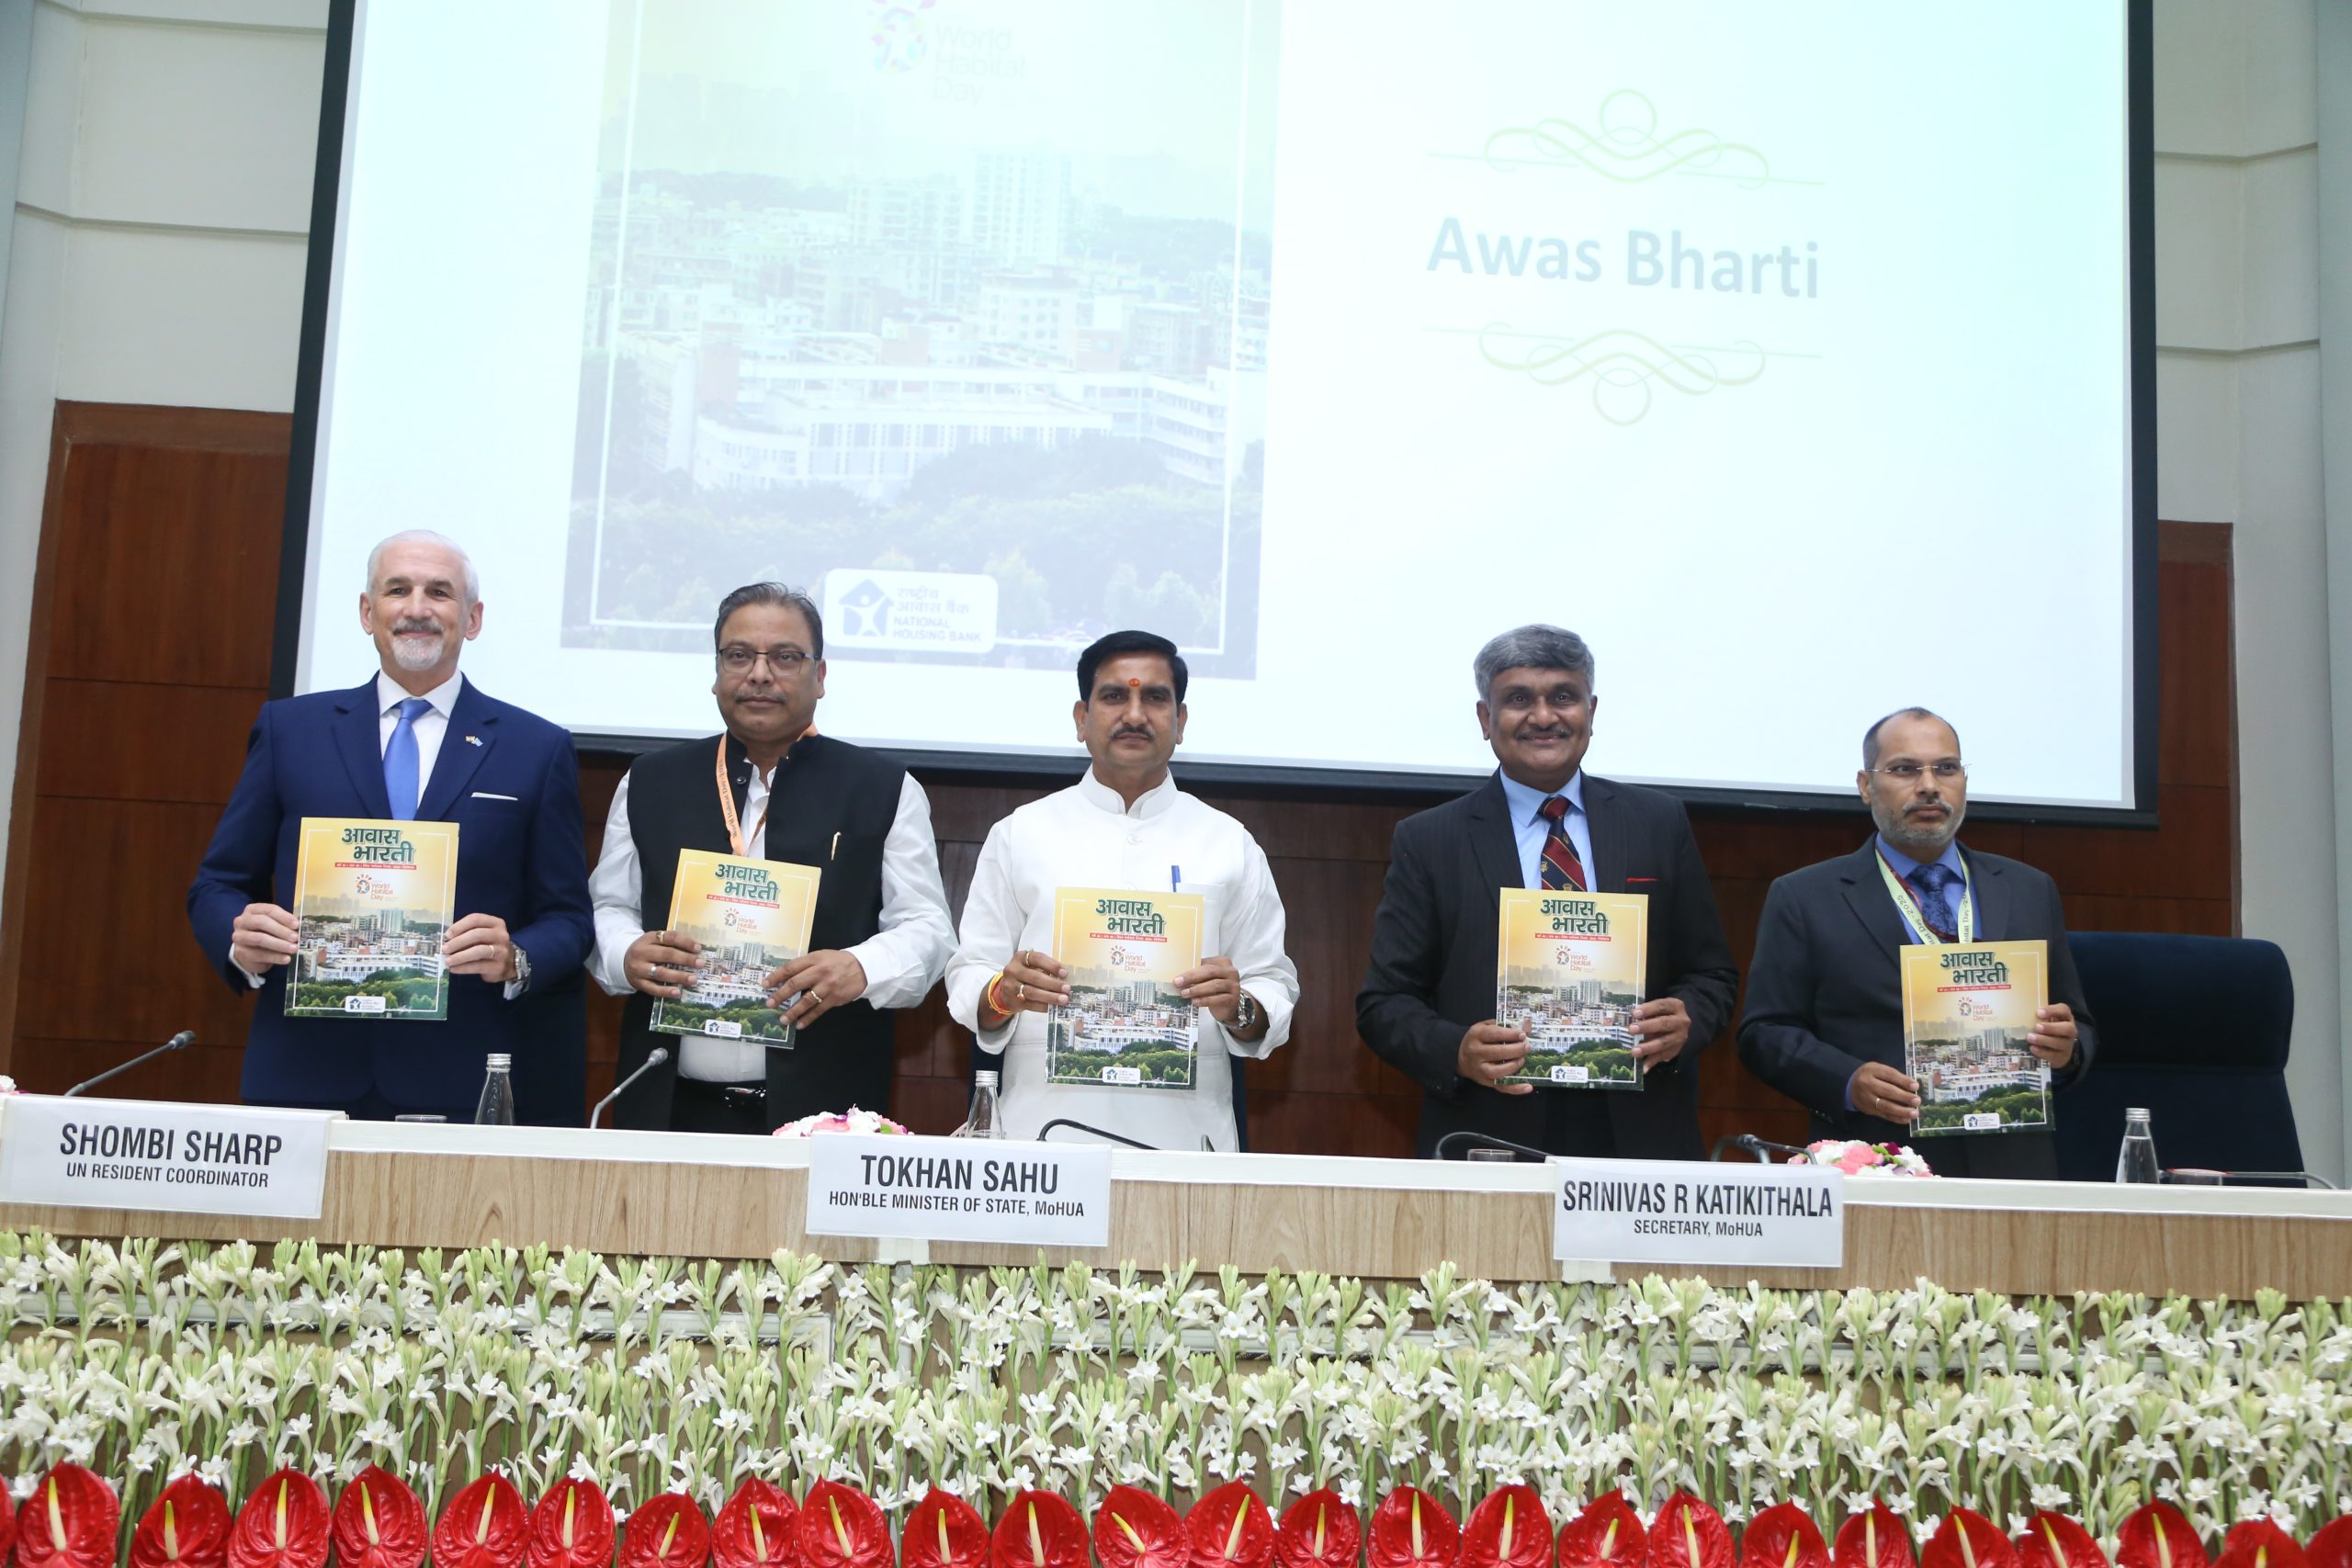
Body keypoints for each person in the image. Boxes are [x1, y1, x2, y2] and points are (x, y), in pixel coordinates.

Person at [187, 530, 594, 1122]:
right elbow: (217, 883)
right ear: (367, 612)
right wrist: (239, 938)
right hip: (306, 1071)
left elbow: (569, 918)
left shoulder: (535, 747)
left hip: (461, 1079)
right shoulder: (290, 731)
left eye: (440, 593)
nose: (417, 608)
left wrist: (517, 957)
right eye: (397, 590)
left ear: (472, 619)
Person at [1357, 625, 1738, 1160]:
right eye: (1518, 699)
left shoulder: (1657, 823)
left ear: (1591, 711)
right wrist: (1457, 1050)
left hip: (1639, 1136)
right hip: (1490, 1132)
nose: (1542, 716)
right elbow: (1385, 1003)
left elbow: (1712, 975)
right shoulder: (1430, 840)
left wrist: (1686, 1020)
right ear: (1485, 719)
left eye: (1563, 696)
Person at [590, 582, 955, 1133]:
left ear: (820, 676)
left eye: (785, 657)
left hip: (825, 1114)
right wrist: (625, 953)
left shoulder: (882, 788)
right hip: (666, 1105)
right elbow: (608, 906)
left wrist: (861, 966)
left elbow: (928, 928)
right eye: (739, 656)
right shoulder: (649, 781)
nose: (760, 674)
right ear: (717, 671)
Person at [945, 630, 1298, 1151]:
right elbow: (970, 971)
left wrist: (1239, 1006)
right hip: (1041, 1135)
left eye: (1155, 697)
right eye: (1114, 696)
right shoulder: (1022, 833)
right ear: (1081, 719)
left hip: (1185, 1139)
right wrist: (1003, 992)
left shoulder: (1228, 842)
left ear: (1180, 721)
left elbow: (1272, 983)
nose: (1135, 714)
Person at [1736, 707, 2095, 1177]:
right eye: (1904, 769)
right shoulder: (1805, 896)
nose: (1929, 785)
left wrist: (2067, 1052)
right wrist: (1847, 1081)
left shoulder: (2028, 889)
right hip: (1878, 1161)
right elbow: (1765, 1034)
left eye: (1946, 768)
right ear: (1866, 785)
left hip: (2012, 1163)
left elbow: (2078, 1025)